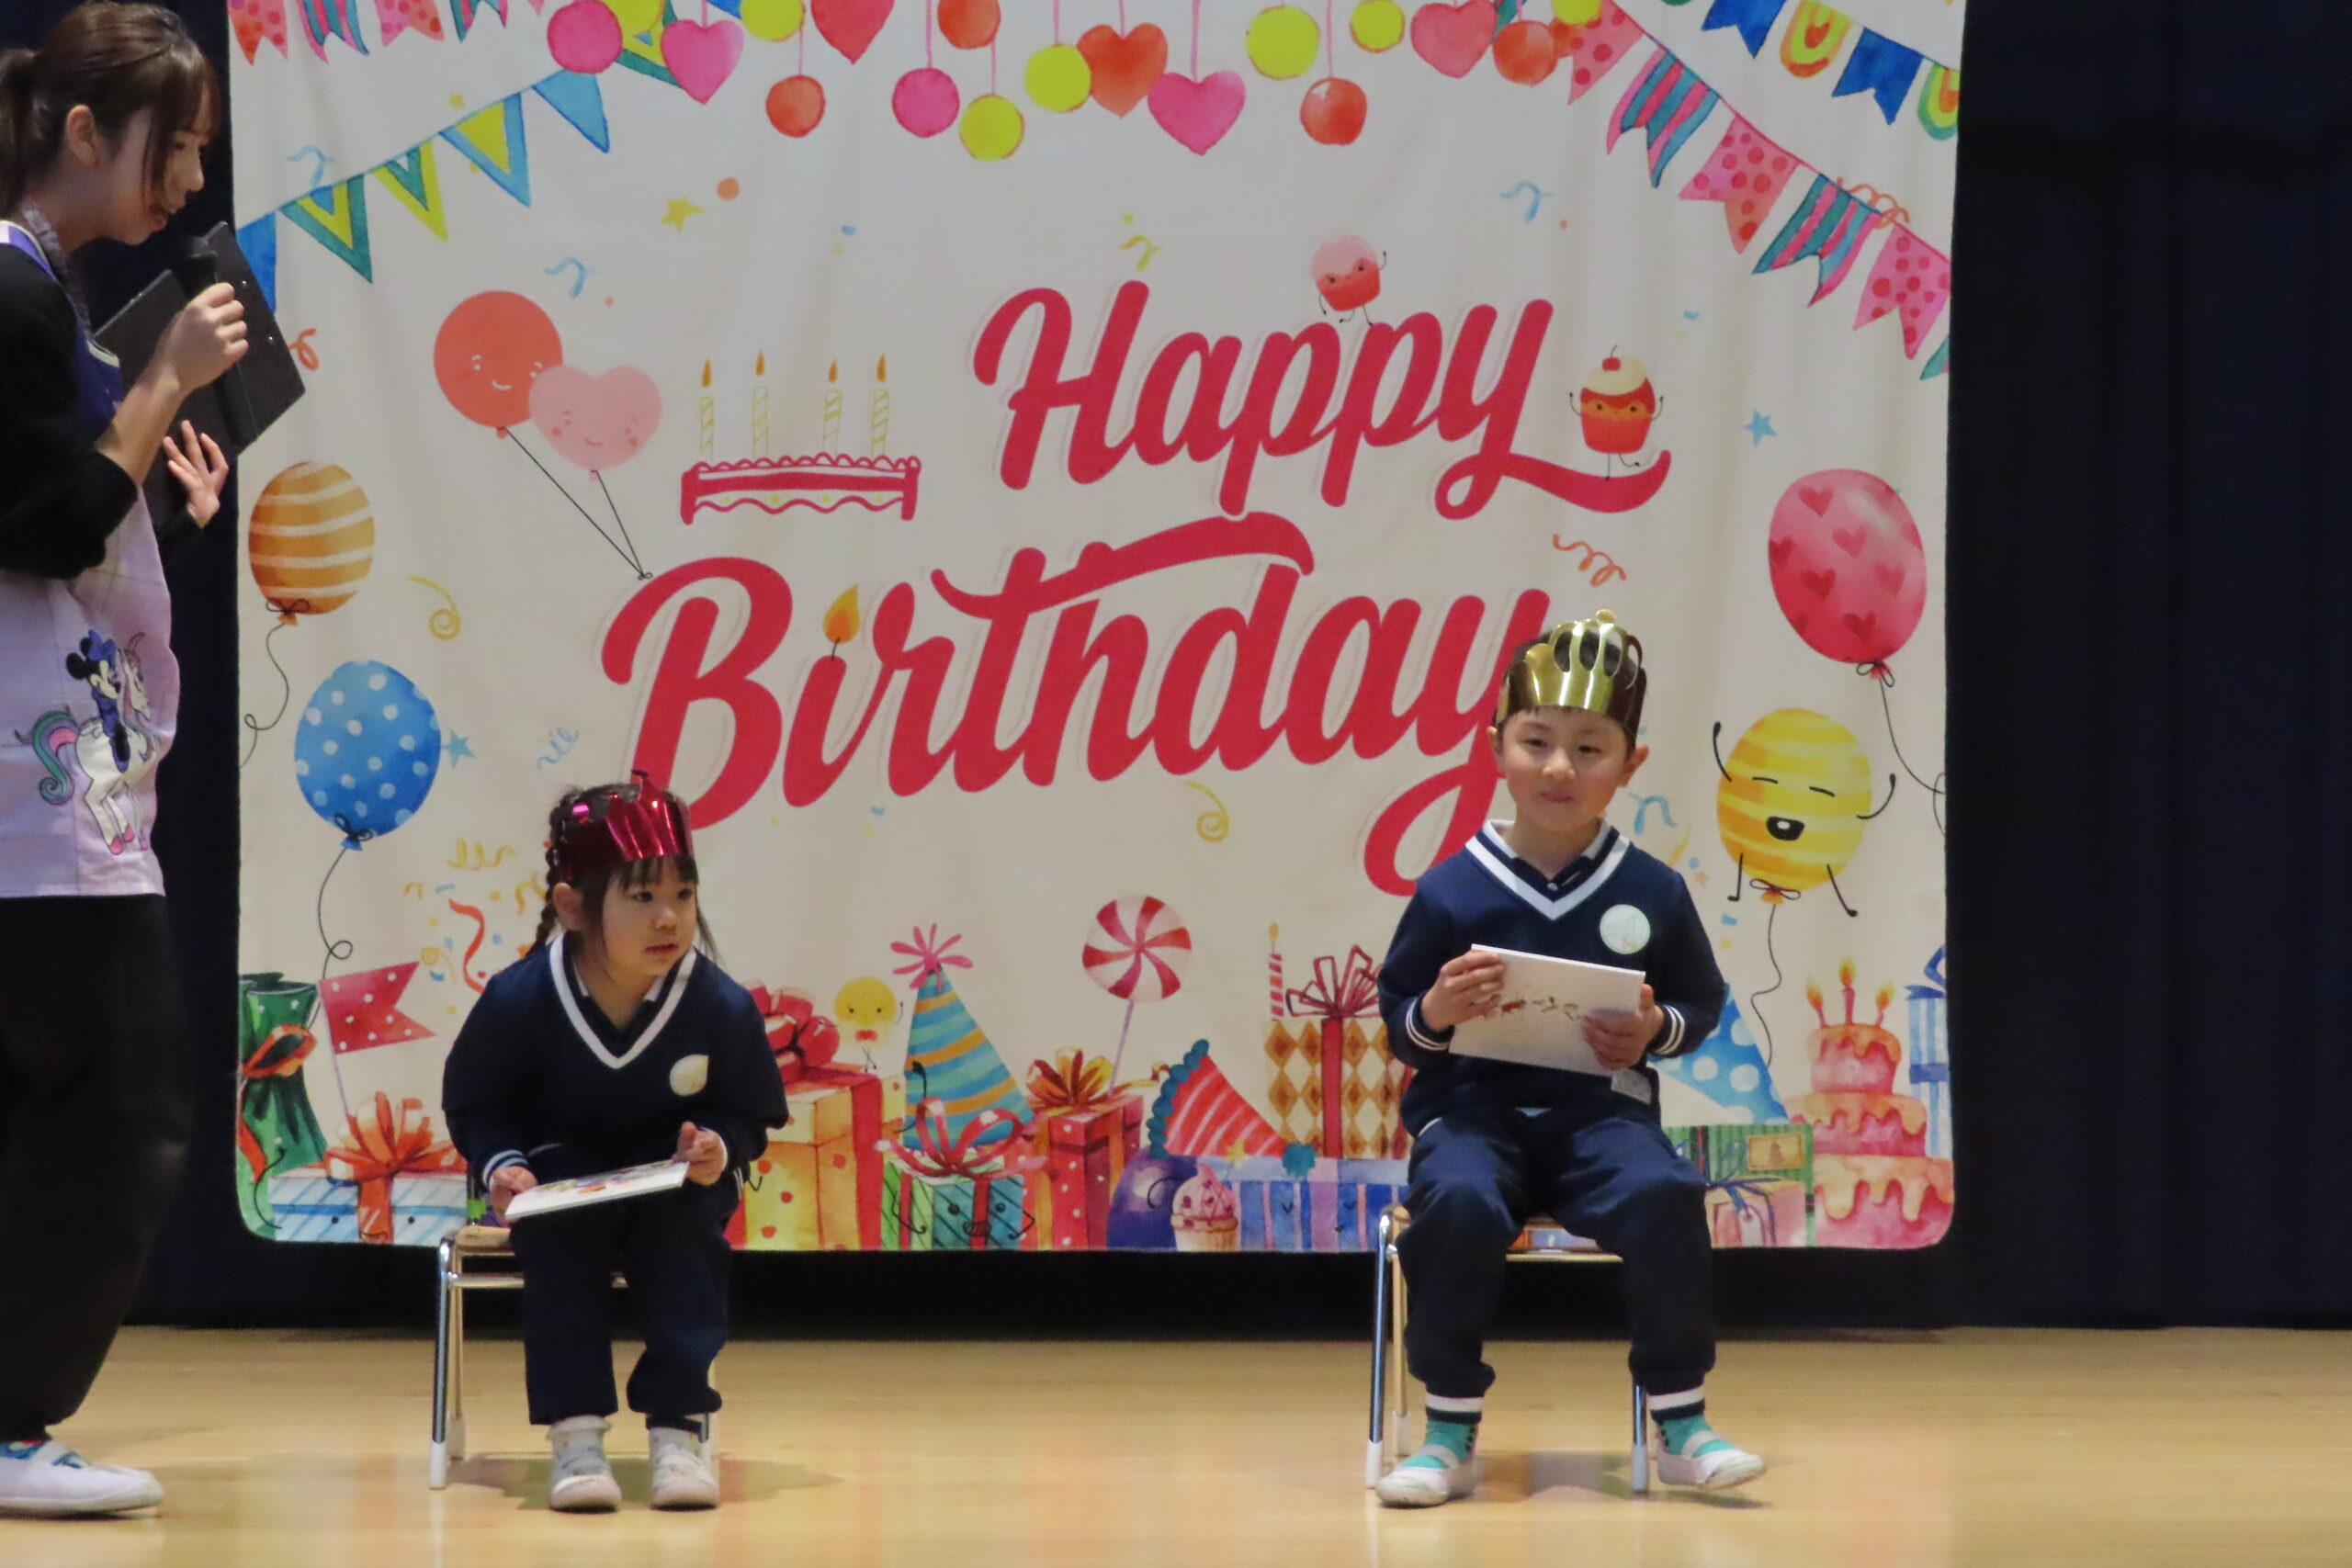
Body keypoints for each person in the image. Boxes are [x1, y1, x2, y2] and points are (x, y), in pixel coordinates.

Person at [0, 2, 245, 1520]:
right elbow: (39, 525)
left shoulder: (42, 296)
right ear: (85, 131)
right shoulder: (15, 292)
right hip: (35, 802)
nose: (190, 181)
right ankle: (9, 1418)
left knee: (77, 1104)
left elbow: (67, 523)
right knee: (114, 1112)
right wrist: (158, 384)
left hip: (51, 783)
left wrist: (159, 486)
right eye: (177, 145)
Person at [1372, 610, 1765, 1507]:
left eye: (1590, 749)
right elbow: (1399, 1022)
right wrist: (1436, 1010)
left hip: (1601, 1115)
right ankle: (1447, 1430)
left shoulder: (1652, 889)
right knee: (1458, 1200)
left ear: (1630, 764)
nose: (1559, 768)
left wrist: (1653, 1029)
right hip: (1470, 1114)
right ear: (1495, 748)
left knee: (1665, 1193)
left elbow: (1699, 1006)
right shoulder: (1451, 888)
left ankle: (1681, 1420)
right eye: (1537, 742)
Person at [441, 777, 786, 1513]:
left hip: (673, 1178)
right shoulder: (519, 1000)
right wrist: (505, 1165)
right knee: (559, 1233)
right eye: (641, 896)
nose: (669, 917)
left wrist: (718, 1145)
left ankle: (678, 1431)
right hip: (561, 1172)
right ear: (572, 906)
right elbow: (480, 1104)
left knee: (686, 1234)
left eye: (683, 894)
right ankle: (576, 1437)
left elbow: (750, 1110)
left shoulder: (719, 1005)